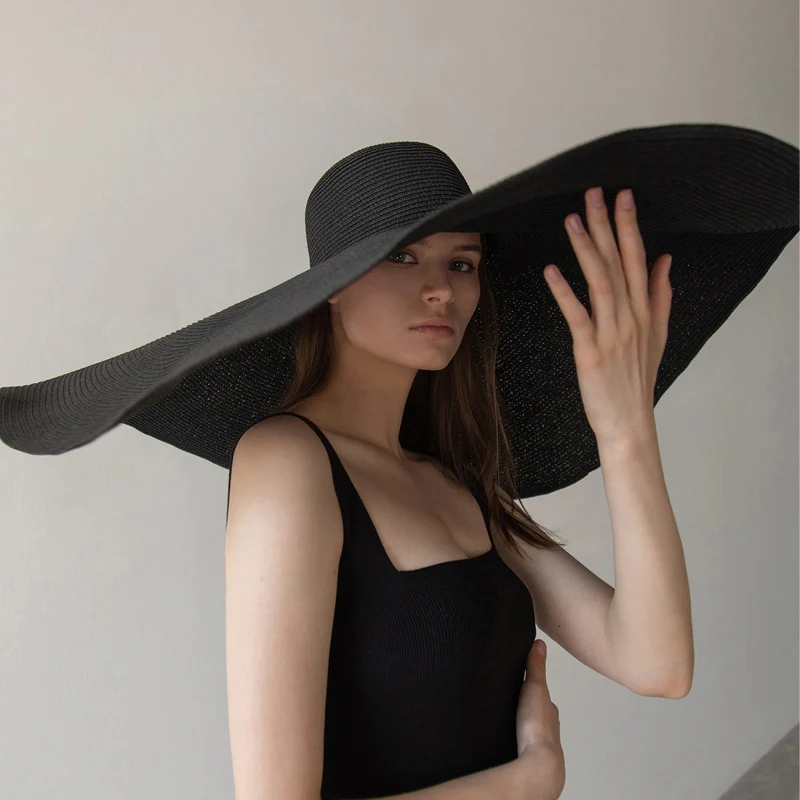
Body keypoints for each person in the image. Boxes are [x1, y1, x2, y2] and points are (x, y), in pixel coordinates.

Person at [225, 227, 566, 799]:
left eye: (462, 264)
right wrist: (528, 781)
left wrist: (623, 422)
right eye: (403, 256)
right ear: (332, 285)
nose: (442, 290)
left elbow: (656, 663)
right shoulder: (287, 457)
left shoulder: (450, 479)